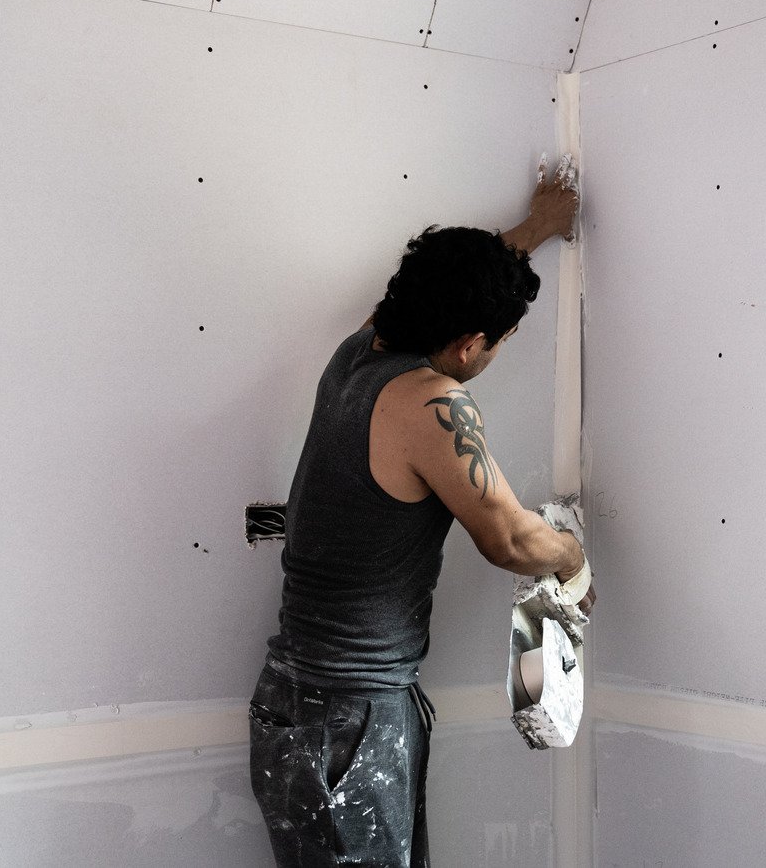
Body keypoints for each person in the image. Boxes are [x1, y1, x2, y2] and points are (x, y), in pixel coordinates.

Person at [249, 173, 596, 867]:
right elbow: (506, 538)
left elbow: (442, 281)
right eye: (500, 341)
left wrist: (533, 229)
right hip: (352, 721)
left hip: (291, 706)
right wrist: (570, 559)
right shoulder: (436, 404)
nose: (497, 353)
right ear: (469, 344)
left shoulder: (362, 348)